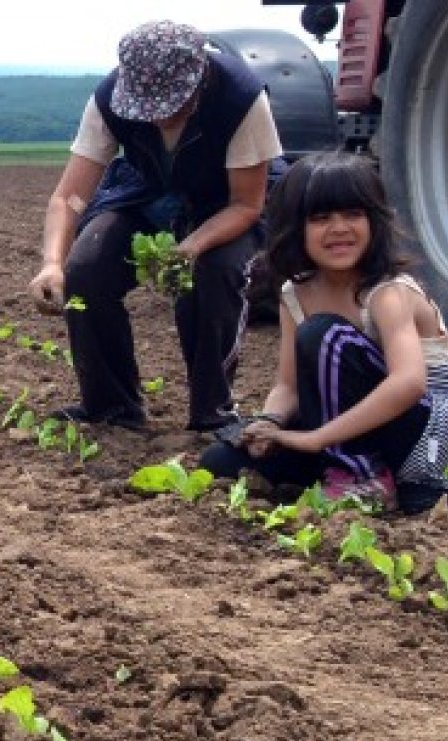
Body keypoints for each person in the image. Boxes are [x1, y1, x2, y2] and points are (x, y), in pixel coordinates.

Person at [28, 20, 284, 432]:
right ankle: (112, 409)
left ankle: (213, 415)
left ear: (199, 81)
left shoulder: (240, 97)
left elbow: (245, 204)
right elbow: (70, 197)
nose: (160, 116)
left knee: (216, 272)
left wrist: (192, 245)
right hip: (147, 191)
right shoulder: (108, 99)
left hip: (226, 200)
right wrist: (52, 263)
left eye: (171, 104)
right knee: (87, 269)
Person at [199, 152, 448, 514]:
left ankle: (362, 474)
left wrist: (316, 438)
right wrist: (269, 422)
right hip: (339, 431)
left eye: (353, 214)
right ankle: (347, 471)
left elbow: (409, 383)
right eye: (321, 218)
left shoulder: (389, 293)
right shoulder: (295, 293)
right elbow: (289, 386)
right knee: (221, 460)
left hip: (418, 429)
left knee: (326, 335)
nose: (339, 228)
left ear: (374, 222)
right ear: (294, 228)